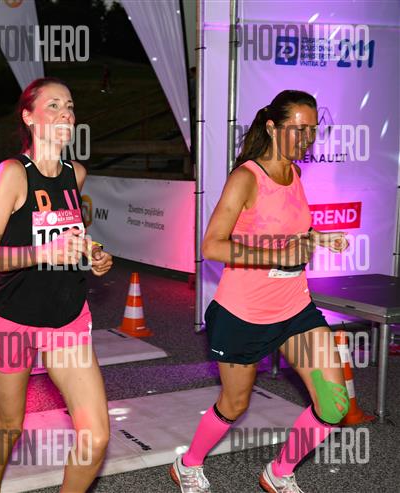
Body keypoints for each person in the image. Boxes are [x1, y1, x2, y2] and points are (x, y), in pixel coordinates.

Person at [170, 90, 350, 493]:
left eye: (312, 131)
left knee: (333, 403)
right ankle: (188, 463)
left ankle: (279, 472)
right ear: (271, 127)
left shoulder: (295, 173)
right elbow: (212, 246)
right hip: (243, 314)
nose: (306, 139)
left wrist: (319, 237)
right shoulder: (246, 178)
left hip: (294, 309)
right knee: (234, 404)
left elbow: (289, 230)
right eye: (297, 130)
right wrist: (278, 255)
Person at [0, 77, 113, 493]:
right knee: (10, 425)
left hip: (66, 319)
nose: (66, 113)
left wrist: (95, 254)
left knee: (95, 437)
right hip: (11, 320)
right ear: (29, 117)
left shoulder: (76, 174)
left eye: (70, 106)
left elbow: (69, 233)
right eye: (53, 105)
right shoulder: (13, 174)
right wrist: (44, 253)